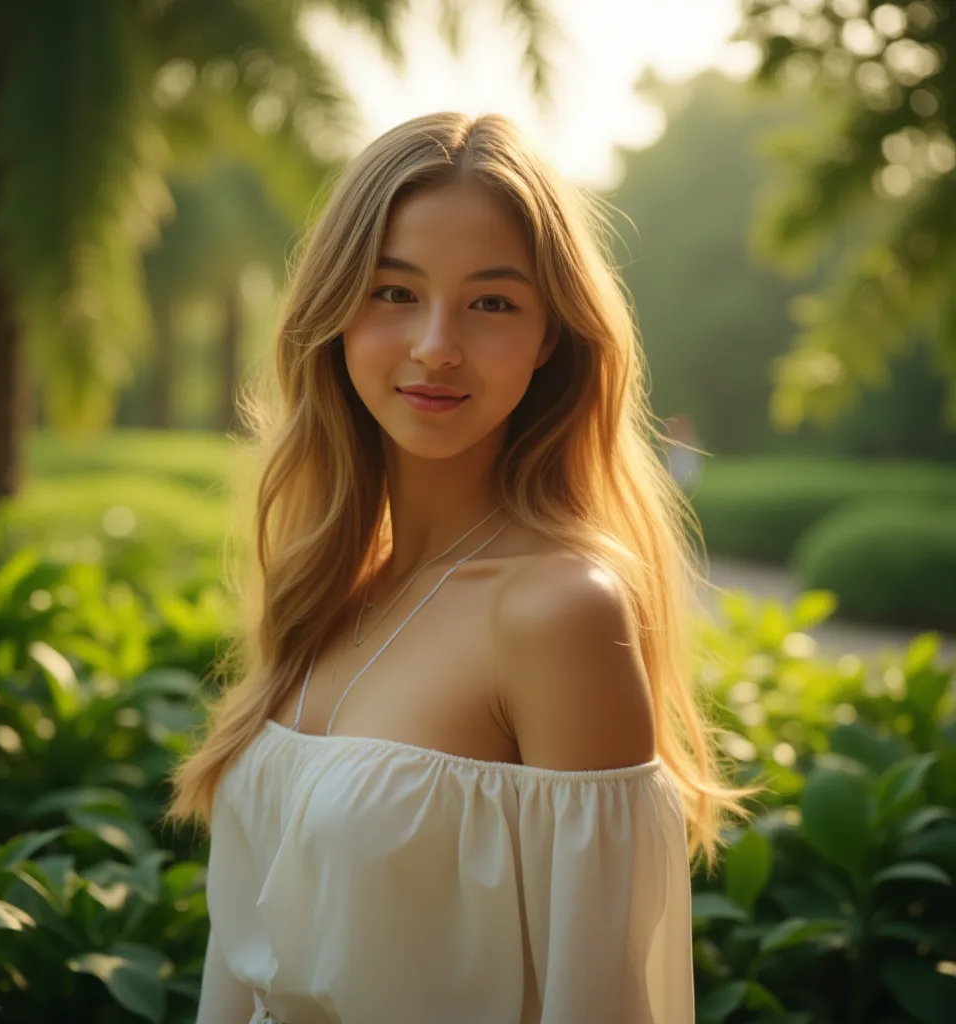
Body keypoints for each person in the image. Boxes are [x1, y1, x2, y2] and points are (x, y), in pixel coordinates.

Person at [167, 111, 760, 1024]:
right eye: (394, 292)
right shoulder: (332, 589)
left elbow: (602, 1003)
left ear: (550, 336)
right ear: (333, 312)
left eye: (491, 303)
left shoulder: (557, 612)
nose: (436, 343)